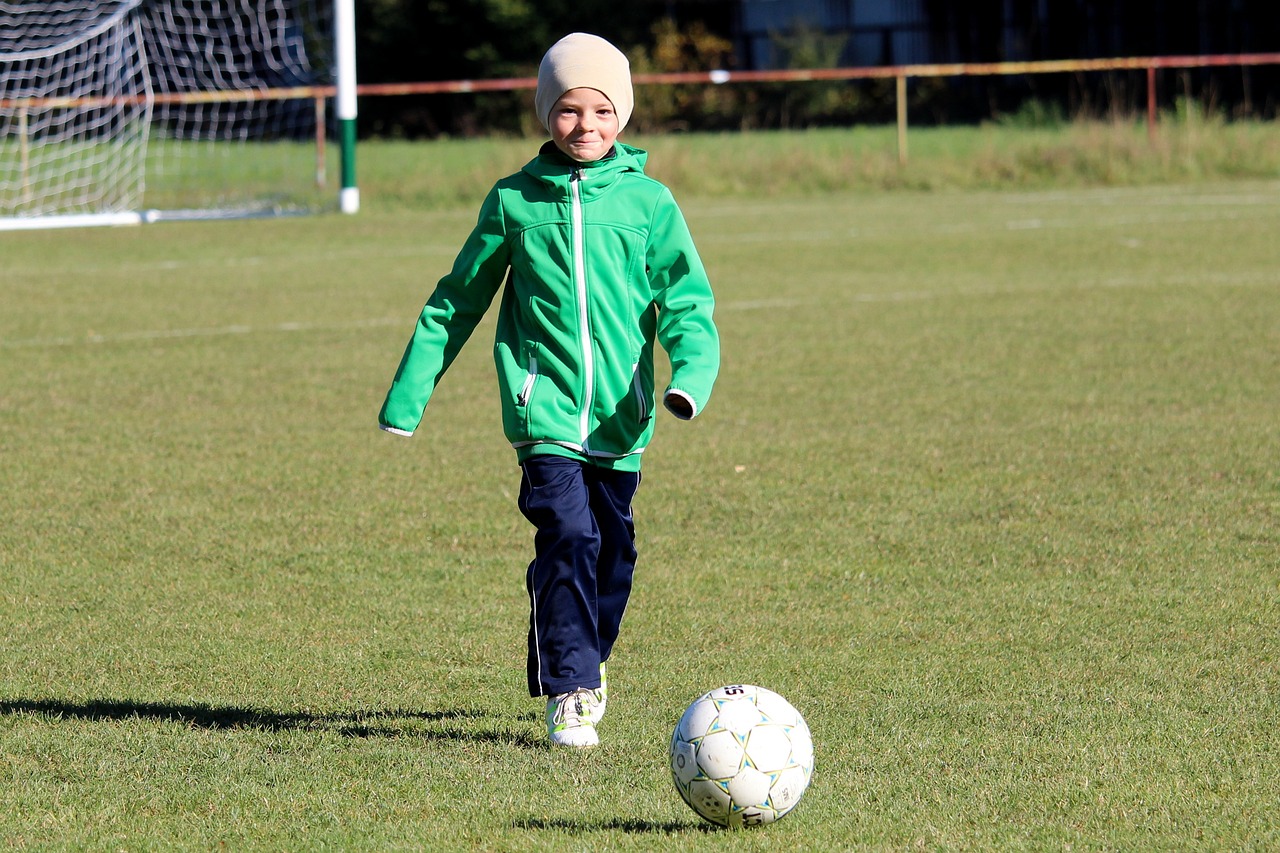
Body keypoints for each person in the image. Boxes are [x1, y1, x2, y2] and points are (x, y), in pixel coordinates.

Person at [377, 32, 719, 748]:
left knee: (613, 555)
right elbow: (455, 302)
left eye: (600, 110)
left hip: (623, 422)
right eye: (568, 110)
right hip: (545, 413)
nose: (585, 126)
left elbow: (689, 305)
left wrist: (689, 378)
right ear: (545, 113)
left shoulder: (650, 205)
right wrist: (407, 398)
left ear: (622, 115)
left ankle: (586, 655)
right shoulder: (513, 203)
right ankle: (570, 685)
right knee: (566, 533)